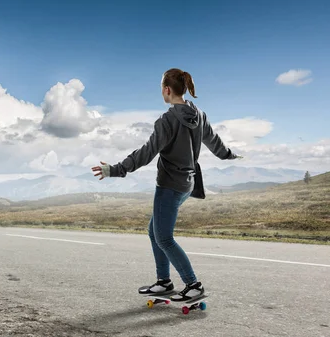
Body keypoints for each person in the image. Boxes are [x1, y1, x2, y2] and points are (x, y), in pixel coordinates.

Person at [91, 68, 242, 302]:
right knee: (155, 232)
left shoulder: (168, 120)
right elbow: (214, 142)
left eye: (162, 87)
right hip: (188, 184)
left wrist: (117, 169)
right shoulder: (199, 115)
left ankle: (193, 284)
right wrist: (229, 155)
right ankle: (164, 282)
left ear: (167, 90)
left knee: (164, 238)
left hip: (169, 186)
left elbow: (147, 152)